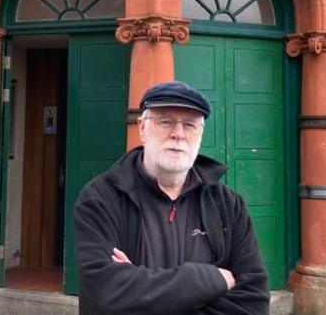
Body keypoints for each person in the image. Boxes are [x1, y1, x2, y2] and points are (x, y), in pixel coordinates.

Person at [73, 80, 269, 314]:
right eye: (165, 122)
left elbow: (254, 304)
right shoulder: (100, 199)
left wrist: (137, 290)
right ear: (142, 128)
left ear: (201, 133)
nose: (178, 134)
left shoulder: (228, 204)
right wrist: (211, 280)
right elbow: (104, 295)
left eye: (189, 125)